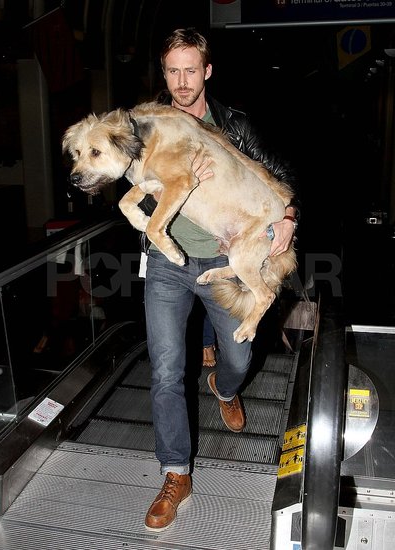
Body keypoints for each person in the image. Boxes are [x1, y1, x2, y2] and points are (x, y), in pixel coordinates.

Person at [143, 28, 299, 532]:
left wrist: (288, 217)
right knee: (167, 371)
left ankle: (225, 388)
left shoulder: (235, 125)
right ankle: (175, 473)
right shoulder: (150, 126)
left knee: (238, 358)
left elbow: (282, 176)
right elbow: (123, 177)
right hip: (167, 262)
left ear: (207, 71)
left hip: (225, 261)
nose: (182, 81)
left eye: (191, 70)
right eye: (173, 71)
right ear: (164, 73)